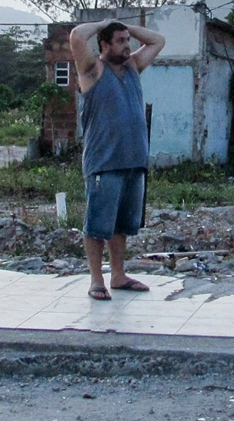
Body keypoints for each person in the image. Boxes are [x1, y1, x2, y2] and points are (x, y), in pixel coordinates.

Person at [69, 19, 166, 300]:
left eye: (129, 41)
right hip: (104, 161)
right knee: (97, 225)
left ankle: (119, 275)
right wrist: (103, 23)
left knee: (121, 225)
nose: (128, 46)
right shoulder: (92, 70)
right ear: (104, 45)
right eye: (121, 41)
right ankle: (96, 280)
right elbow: (76, 36)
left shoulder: (133, 67)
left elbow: (158, 40)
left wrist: (127, 28)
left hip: (134, 161)